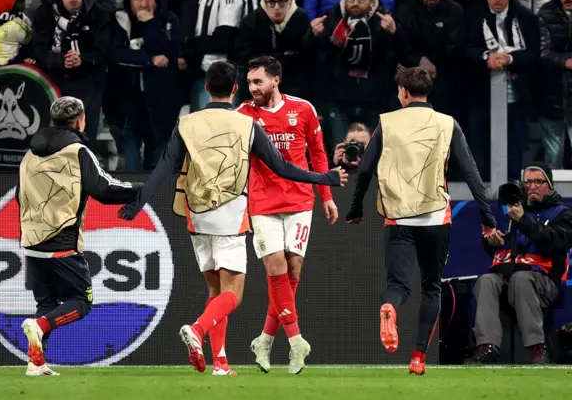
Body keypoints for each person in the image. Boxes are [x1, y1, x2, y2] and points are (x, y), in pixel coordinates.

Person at [117, 60, 347, 375]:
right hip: (232, 214)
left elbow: (163, 169)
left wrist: (138, 201)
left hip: (196, 217)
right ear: (236, 89)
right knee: (231, 294)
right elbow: (281, 167)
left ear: (206, 88)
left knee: (215, 293)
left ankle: (221, 363)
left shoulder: (187, 122)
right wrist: (326, 180)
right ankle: (198, 330)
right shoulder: (246, 122)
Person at [345, 67, 496, 375]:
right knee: (431, 288)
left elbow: (365, 169)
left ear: (403, 92)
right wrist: (487, 217)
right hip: (435, 218)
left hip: (398, 217)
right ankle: (418, 358)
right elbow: (470, 173)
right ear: (429, 92)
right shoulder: (447, 123)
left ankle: (390, 306)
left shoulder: (387, 123)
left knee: (398, 284)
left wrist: (356, 208)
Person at [18, 96, 142, 376]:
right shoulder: (78, 151)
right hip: (62, 242)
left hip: (32, 242)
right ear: (81, 120)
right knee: (81, 303)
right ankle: (39, 326)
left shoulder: (30, 153)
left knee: (46, 303)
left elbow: (18, 196)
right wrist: (138, 189)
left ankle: (35, 363)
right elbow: (103, 188)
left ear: (52, 120)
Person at [236, 55, 338, 374]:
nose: (252, 88)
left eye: (258, 82)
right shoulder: (243, 114)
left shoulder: (303, 109)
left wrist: (327, 197)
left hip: (300, 201)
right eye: (249, 82)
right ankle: (296, 342)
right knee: (276, 266)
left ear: (275, 80)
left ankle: (264, 340)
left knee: (292, 273)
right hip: (263, 202)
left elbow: (318, 153)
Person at [466, 162, 572, 365]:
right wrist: (492, 241)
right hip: (511, 277)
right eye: (528, 182)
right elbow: (507, 249)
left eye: (538, 182)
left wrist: (523, 220)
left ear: (549, 185)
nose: (532, 186)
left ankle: (537, 348)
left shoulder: (563, 214)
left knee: (521, 279)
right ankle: (487, 346)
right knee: (487, 281)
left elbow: (554, 242)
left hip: (546, 282)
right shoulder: (515, 212)